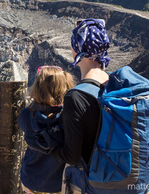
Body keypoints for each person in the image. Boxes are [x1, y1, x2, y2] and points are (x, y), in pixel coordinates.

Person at [50, 18, 110, 192]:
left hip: (91, 182)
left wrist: (47, 147)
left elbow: (72, 156)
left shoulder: (76, 97)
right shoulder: (117, 86)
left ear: (77, 48)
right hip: (119, 177)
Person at [18, 65, 75, 194]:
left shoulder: (26, 115)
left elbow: (24, 127)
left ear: (37, 88)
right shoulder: (69, 117)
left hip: (31, 180)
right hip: (59, 183)